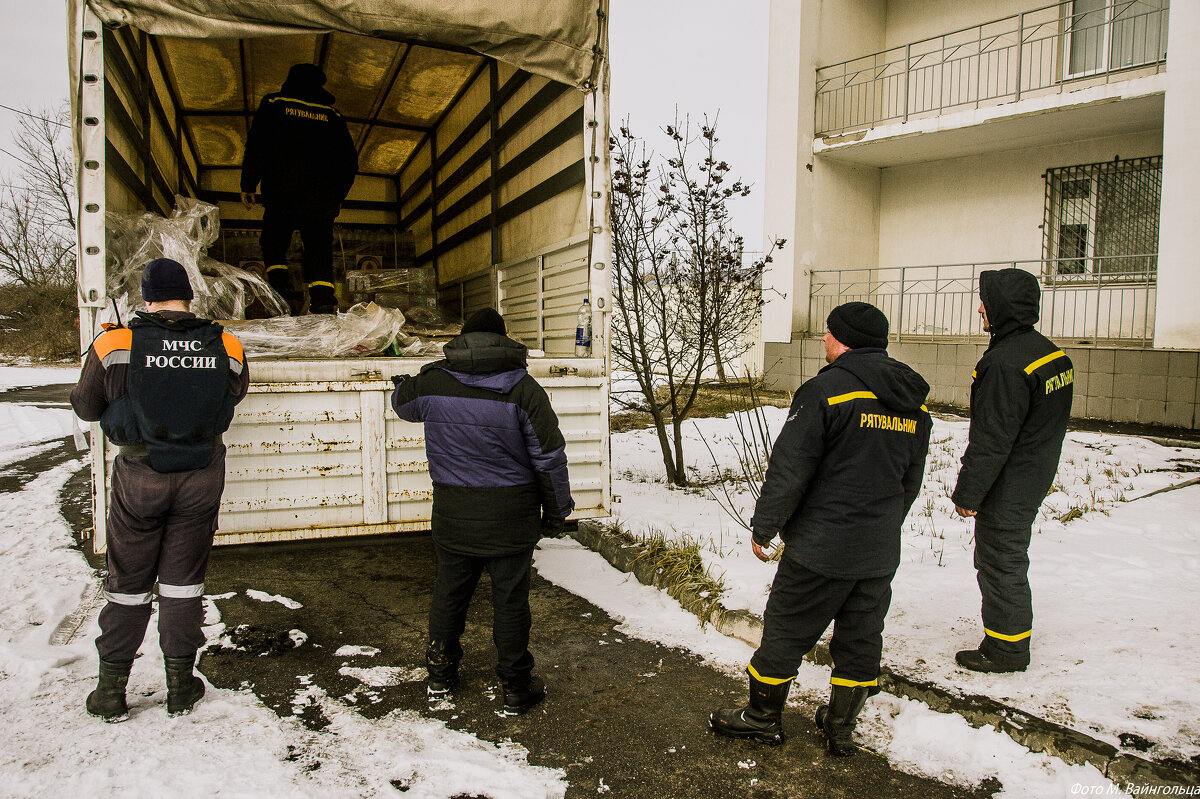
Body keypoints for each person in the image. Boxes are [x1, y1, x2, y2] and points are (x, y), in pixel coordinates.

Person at [710, 302, 931, 755]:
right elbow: (911, 480)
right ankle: (841, 726)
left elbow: (790, 469)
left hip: (820, 549)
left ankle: (760, 718)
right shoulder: (913, 401)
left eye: (828, 334)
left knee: (786, 631)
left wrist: (764, 526)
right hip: (877, 550)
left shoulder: (824, 391)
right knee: (861, 637)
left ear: (843, 339)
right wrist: (882, 526)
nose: (824, 341)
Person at [71, 258, 249, 721]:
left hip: (140, 474)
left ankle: (111, 692)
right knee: (182, 582)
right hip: (201, 471)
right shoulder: (226, 341)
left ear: (147, 298)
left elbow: (87, 407)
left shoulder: (114, 342)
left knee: (128, 585)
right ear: (188, 298)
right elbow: (235, 391)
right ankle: (179, 685)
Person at [390, 308, 573, 715]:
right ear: (503, 341)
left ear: (463, 342)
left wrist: (410, 377)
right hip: (511, 515)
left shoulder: (434, 382)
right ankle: (516, 686)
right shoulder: (525, 389)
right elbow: (549, 459)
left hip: (454, 512)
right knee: (510, 601)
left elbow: (400, 402)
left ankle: (440, 675)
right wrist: (557, 511)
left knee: (450, 592)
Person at [952, 268, 1073, 673]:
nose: (981, 308)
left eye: (986, 300)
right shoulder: (1051, 353)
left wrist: (969, 494)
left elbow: (991, 439)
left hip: (1010, 481)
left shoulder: (1004, 364)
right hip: (1035, 472)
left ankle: (1005, 650)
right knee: (1009, 554)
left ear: (1000, 307)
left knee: (1000, 558)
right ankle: (1008, 639)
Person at [240, 63, 358, 315]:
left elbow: (257, 145)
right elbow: (349, 161)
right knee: (319, 249)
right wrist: (337, 195)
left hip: (281, 192)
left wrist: (248, 184)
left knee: (273, 242)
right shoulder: (332, 115)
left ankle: (281, 297)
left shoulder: (273, 104)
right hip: (320, 199)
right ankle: (324, 302)